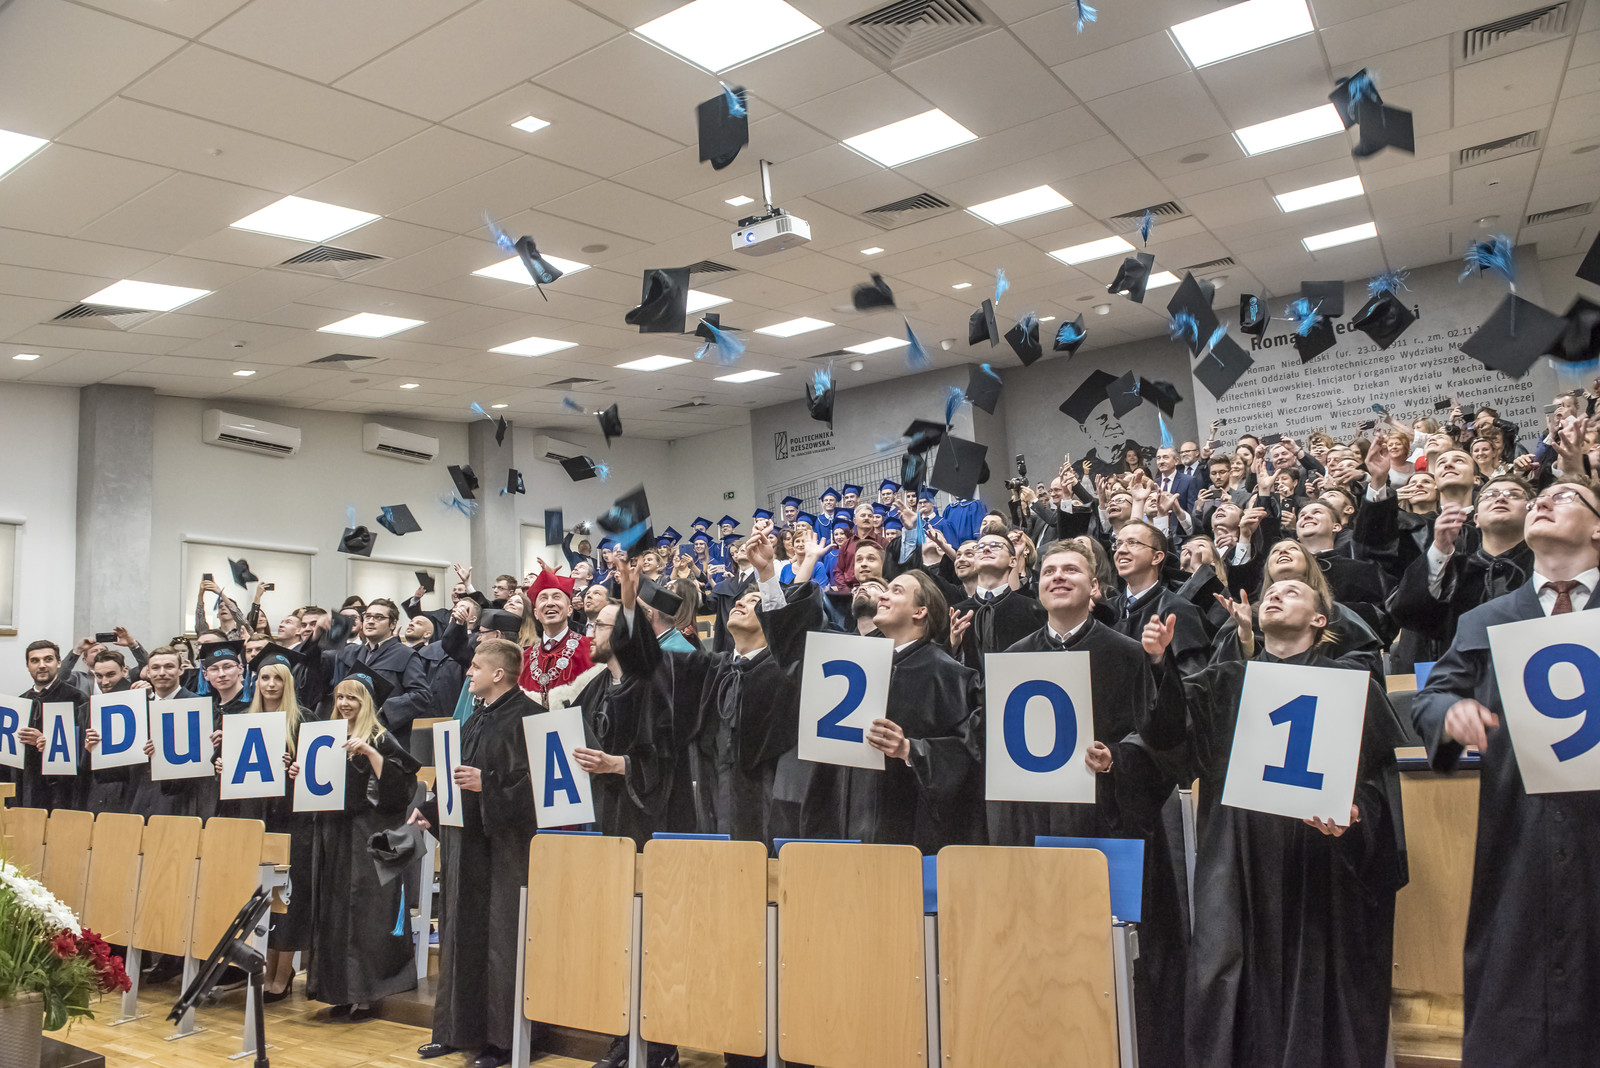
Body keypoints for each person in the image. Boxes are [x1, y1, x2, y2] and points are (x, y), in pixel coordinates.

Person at [1140, 578, 1408, 1068]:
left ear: (1320, 619)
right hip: (1237, 856)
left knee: (1323, 990)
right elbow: (1170, 737)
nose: (1275, 596)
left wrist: (1356, 816)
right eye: (1270, 593)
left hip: (1320, 861)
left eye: (1293, 592)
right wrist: (1160, 664)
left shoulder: (1352, 686)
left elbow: (1377, 785)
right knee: (1226, 977)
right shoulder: (1224, 681)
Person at [1412, 475, 1600, 1067]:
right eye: (1540, 498)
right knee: (1516, 994)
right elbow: (1431, 698)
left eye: (1566, 496)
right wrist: (1451, 715)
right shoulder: (1486, 618)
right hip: (1518, 833)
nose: (1542, 500)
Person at [412, 638, 539, 1068]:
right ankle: (456, 1030)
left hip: (505, 850)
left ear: (498, 674)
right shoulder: (474, 718)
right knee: (460, 934)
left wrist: (490, 785)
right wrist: (431, 809)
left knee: (501, 941)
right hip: (465, 845)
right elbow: (456, 776)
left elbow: (541, 786)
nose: (468, 673)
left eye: (476, 667)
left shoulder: (531, 718)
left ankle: (502, 1042)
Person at [301, 673, 419, 1021]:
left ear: (367, 702)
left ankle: (367, 994)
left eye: (353, 697)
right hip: (335, 835)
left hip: (369, 836)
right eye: (340, 697)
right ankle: (338, 991)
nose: (344, 704)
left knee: (367, 913)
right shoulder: (327, 736)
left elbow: (401, 788)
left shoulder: (381, 738)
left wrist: (369, 751)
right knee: (335, 911)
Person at [948, 533, 1046, 676]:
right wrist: (953, 647)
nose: (986, 549)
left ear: (1013, 561)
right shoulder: (956, 614)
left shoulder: (1033, 610)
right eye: (980, 547)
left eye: (995, 546)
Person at [520, 570, 593, 705]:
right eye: (543, 598)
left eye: (556, 597)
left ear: (570, 610)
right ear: (536, 613)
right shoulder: (524, 659)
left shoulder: (591, 650)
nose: (550, 603)